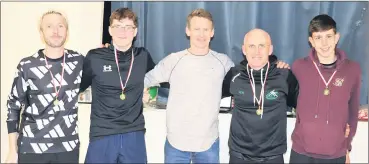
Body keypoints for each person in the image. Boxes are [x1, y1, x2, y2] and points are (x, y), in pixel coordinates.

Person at [144, 9, 289, 163]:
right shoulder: (173, 61)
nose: (201, 34)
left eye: (206, 29)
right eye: (196, 29)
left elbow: (251, 68)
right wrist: (145, 94)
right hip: (176, 145)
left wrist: (274, 63)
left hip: (208, 145)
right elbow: (145, 80)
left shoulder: (223, 63)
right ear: (188, 31)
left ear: (212, 32)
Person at [5, 11, 84, 163]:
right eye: (49, 26)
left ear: (67, 31)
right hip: (32, 148)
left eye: (60, 26)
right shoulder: (27, 65)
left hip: (67, 148)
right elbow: (13, 107)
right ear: (41, 33)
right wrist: (12, 151)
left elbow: (103, 74)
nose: (55, 31)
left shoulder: (79, 61)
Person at [81, 7, 155, 163]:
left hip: (133, 134)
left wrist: (150, 94)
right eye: (118, 27)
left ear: (135, 32)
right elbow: (76, 86)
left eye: (128, 27)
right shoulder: (95, 57)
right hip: (102, 133)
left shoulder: (143, 56)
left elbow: (157, 80)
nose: (123, 32)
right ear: (110, 30)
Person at [289, 14, 362, 164]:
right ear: (311, 41)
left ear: (337, 37)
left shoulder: (352, 69)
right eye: (318, 38)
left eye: (329, 36)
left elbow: (353, 112)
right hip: (301, 152)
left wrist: (346, 147)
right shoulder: (299, 67)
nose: (324, 43)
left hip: (335, 154)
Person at [222, 28, 299, 163]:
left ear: (270, 50)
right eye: (251, 46)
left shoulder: (284, 75)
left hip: (273, 156)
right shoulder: (234, 75)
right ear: (244, 50)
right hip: (239, 155)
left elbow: (303, 106)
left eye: (262, 46)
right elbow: (210, 98)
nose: (257, 51)